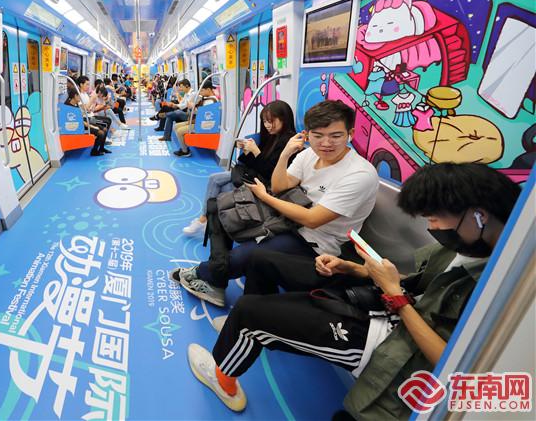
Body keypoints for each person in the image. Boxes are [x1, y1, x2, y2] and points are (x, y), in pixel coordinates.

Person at [185, 162, 522, 418]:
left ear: (478, 217)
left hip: (394, 342)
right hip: (384, 302)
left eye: (434, 219)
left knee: (249, 314)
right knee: (261, 260)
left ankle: (225, 378)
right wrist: (354, 268)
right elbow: (420, 284)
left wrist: (397, 298)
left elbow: (455, 363)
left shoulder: (503, 288)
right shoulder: (466, 249)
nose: (432, 227)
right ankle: (249, 332)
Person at [176, 100, 379, 307]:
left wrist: (265, 197)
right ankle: (216, 281)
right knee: (221, 209)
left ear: (350, 134)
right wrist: (285, 154)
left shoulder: (359, 174)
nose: (326, 143)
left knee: (249, 255)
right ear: (307, 135)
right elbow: (280, 186)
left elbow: (312, 220)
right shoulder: (309, 154)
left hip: (316, 242)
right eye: (318, 136)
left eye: (335, 136)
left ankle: (204, 273)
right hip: (286, 220)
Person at [183, 101, 297, 234]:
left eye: (271, 121)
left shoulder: (289, 142)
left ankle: (206, 220)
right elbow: (257, 164)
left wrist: (256, 151)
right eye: (265, 121)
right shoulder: (271, 136)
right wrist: (248, 152)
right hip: (256, 176)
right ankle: (205, 219)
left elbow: (271, 173)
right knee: (214, 179)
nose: (267, 125)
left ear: (284, 119)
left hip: (265, 184)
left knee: (222, 188)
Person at [172, 81, 219, 157]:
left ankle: (185, 151)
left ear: (208, 90)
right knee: (176, 126)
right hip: (200, 122)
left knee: (179, 131)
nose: (200, 92)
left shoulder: (211, 101)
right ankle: (184, 147)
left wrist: (193, 107)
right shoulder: (206, 99)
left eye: (202, 90)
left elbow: (204, 116)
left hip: (205, 125)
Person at [64, 88, 110, 156]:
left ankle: (101, 148)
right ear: (75, 96)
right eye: (79, 96)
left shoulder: (76, 104)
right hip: (80, 125)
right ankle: (94, 151)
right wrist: (92, 126)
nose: (80, 98)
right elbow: (80, 121)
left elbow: (81, 117)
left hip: (85, 120)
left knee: (105, 127)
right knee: (101, 133)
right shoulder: (69, 107)